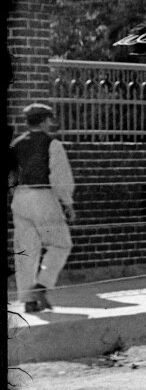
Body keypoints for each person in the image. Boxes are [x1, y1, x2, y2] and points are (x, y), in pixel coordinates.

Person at [11, 103, 75, 313]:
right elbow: (60, 177)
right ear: (45, 121)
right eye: (50, 119)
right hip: (43, 198)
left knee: (26, 250)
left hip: (20, 199)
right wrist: (67, 203)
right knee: (60, 243)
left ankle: (28, 300)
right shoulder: (52, 144)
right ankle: (42, 284)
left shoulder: (15, 145)